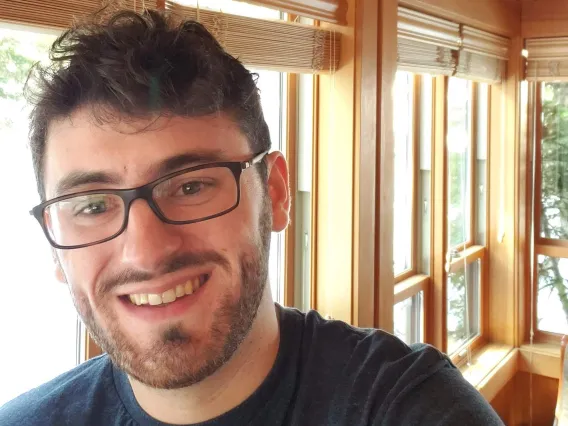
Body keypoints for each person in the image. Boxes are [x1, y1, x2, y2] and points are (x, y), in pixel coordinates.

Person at [0, 8, 504, 426]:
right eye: (91, 206)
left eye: (192, 186)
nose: (147, 251)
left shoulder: (411, 408)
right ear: (52, 244)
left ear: (276, 193)